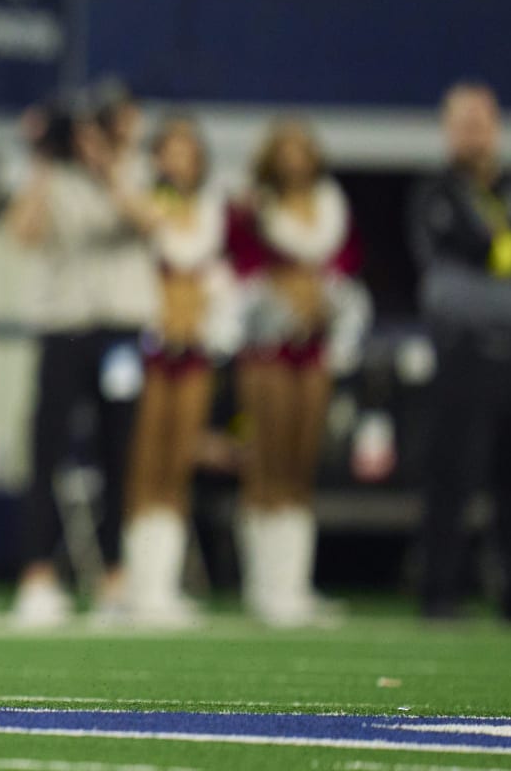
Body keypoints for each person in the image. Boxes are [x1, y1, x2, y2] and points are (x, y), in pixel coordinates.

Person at [409, 82, 511, 621]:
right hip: (465, 352)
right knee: (453, 476)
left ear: (497, 126)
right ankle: (440, 593)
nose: (474, 131)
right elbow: (465, 255)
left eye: (482, 120)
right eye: (463, 121)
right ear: (448, 130)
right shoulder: (436, 191)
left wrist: (508, 249)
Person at [5, 94, 157, 627]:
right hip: (64, 327)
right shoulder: (54, 178)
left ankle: (115, 578)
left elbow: (149, 222)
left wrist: (107, 168)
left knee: (117, 454)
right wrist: (44, 161)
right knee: (46, 452)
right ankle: (37, 576)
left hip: (119, 328)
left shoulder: (135, 169)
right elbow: (20, 232)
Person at [229, 118, 369, 627]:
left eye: (302, 149)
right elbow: (239, 269)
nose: (294, 159)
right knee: (266, 458)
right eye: (284, 150)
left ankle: (293, 585)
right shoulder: (253, 209)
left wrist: (324, 302)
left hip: (314, 347)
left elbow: (348, 267)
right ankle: (262, 585)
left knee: (301, 461)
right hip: (268, 346)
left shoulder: (332, 209)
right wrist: (281, 299)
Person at [120, 116, 238, 627]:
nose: (178, 162)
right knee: (144, 461)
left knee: (178, 462)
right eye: (169, 151)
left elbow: (216, 269)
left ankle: (162, 585)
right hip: (147, 340)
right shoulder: (143, 201)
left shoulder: (212, 210)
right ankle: (134, 584)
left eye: (188, 152)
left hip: (193, 343)